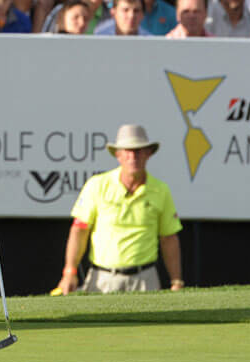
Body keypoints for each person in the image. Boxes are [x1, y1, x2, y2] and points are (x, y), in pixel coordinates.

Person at [55, 124, 183, 294]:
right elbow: (79, 231)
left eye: (138, 150)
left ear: (148, 154)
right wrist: (69, 272)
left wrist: (176, 281)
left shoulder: (161, 190)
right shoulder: (97, 185)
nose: (133, 156)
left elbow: (168, 238)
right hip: (103, 279)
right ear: (118, 155)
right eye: (127, 151)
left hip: (145, 279)